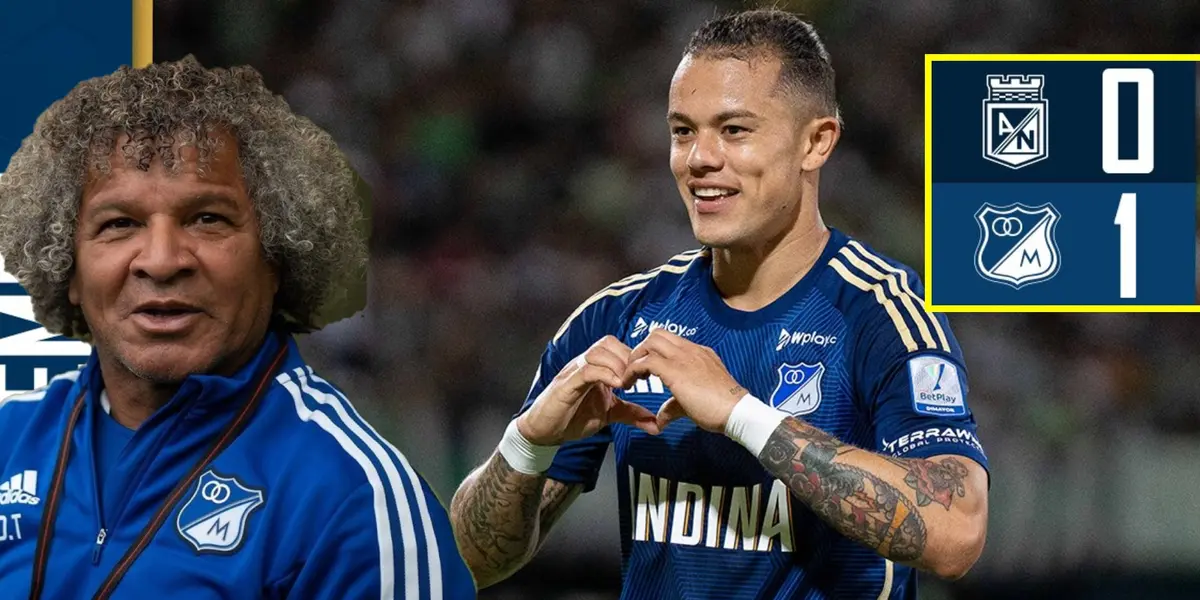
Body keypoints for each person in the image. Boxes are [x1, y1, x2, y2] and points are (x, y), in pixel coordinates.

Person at [449, 9, 988, 599]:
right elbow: (472, 563)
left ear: (816, 142)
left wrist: (740, 414)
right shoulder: (617, 319)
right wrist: (528, 442)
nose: (699, 158)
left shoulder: (879, 316)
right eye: (683, 130)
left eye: (734, 130)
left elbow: (956, 532)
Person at [0, 56, 475, 599]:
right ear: (70, 269)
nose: (160, 260)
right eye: (119, 224)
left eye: (207, 218)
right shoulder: (9, 440)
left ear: (276, 256)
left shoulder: (351, 499)